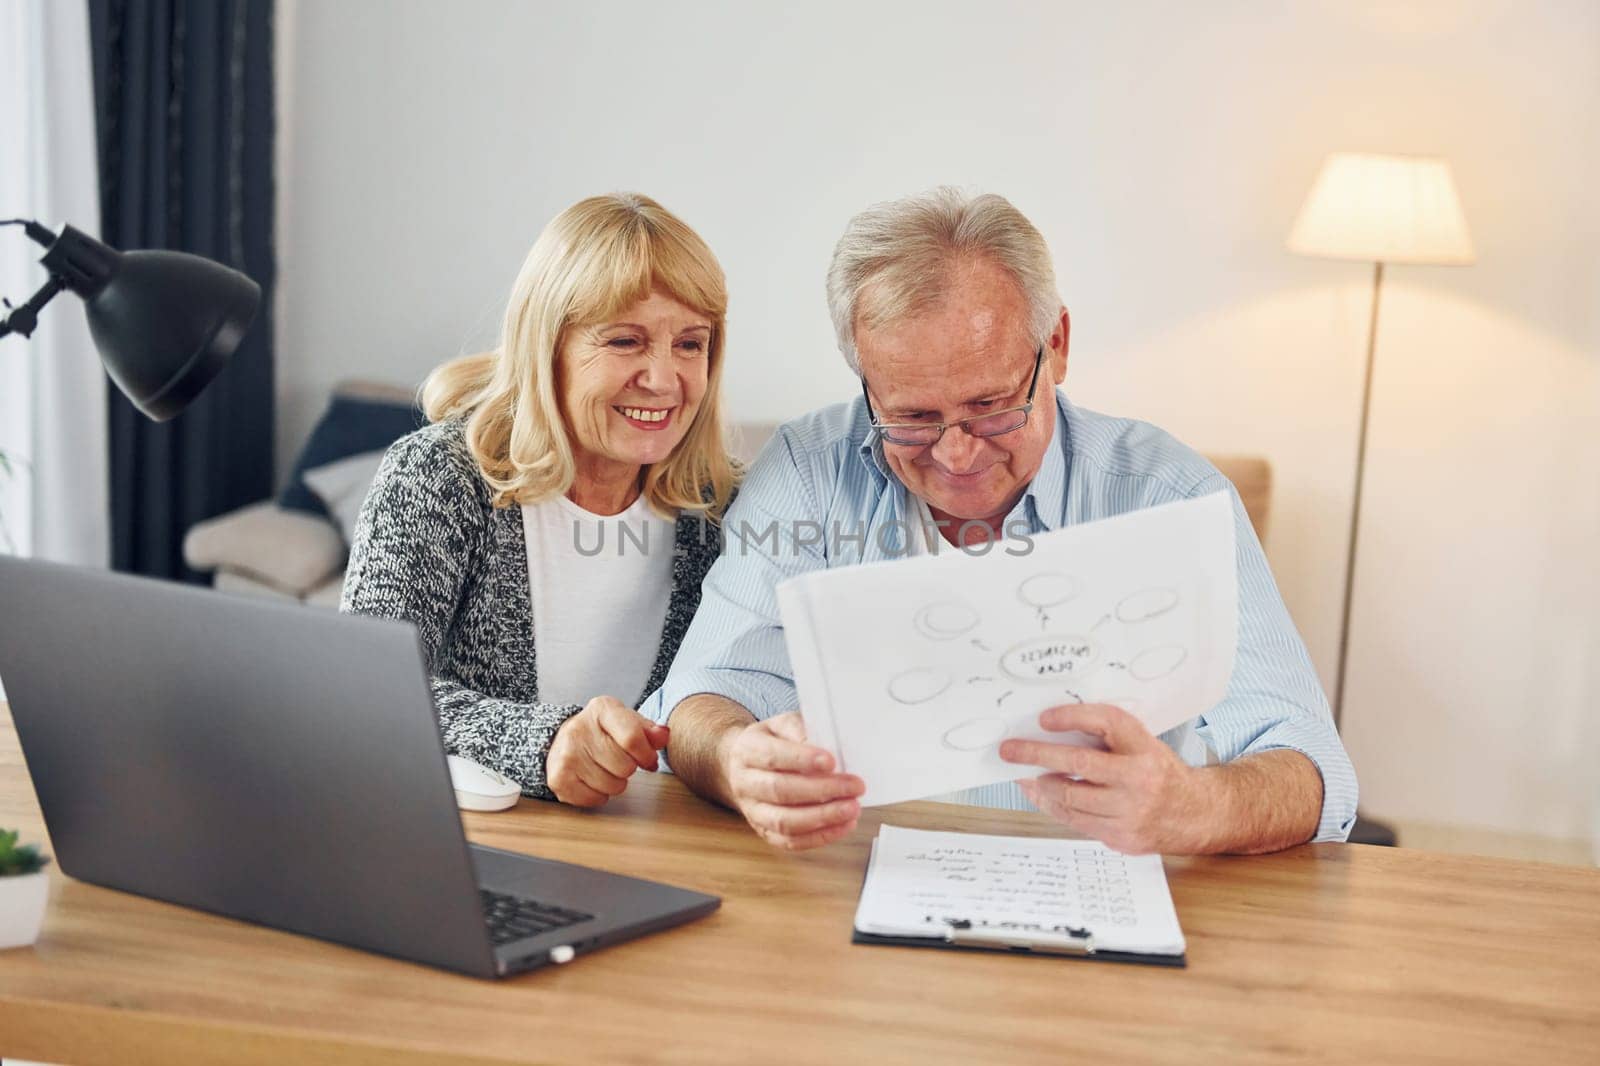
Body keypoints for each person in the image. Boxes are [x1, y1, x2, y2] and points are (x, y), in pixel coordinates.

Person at [643, 187, 1356, 854]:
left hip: (1101, 901)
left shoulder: (1170, 493)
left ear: (1060, 346)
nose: (956, 455)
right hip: (851, 894)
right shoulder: (806, 469)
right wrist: (739, 762)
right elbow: (703, 697)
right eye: (912, 417)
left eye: (991, 408)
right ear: (864, 377)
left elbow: (1313, 771)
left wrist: (1196, 807)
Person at [343, 193, 736, 807]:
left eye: (690, 344)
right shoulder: (441, 477)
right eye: (626, 341)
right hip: (481, 842)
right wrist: (543, 740)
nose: (663, 379)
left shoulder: (717, 506)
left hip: (661, 845)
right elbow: (363, 690)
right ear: (547, 344)